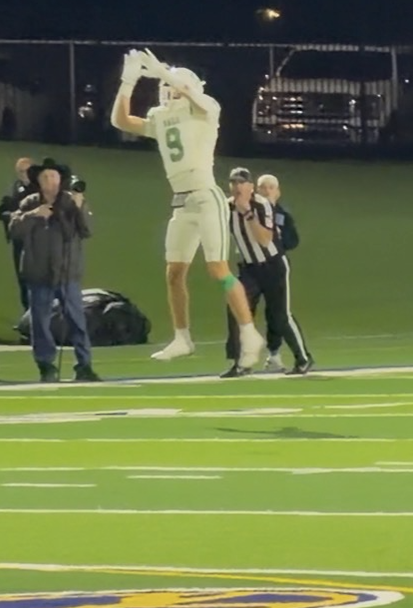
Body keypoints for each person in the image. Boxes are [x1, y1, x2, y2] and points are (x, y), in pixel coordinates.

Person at [110, 48, 265, 368]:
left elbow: (192, 95)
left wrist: (165, 73)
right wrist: (128, 81)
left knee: (218, 269)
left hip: (206, 197)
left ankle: (249, 332)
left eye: (170, 86)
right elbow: (120, 120)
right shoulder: (161, 117)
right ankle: (182, 337)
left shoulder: (206, 109)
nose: (164, 90)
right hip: (181, 202)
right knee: (174, 273)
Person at [9, 158, 99, 383]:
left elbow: (87, 231)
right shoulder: (29, 203)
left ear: (61, 179)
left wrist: (79, 207)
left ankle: (84, 365)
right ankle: (46, 365)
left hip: (68, 273)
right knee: (40, 322)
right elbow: (14, 230)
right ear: (38, 181)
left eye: (53, 176)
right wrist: (33, 215)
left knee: (77, 320)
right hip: (38, 273)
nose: (50, 181)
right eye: (45, 177)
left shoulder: (72, 202)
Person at [222, 168, 313, 377]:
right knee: (238, 310)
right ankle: (241, 362)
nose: (237, 187)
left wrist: (247, 212)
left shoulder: (262, 205)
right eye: (233, 183)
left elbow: (265, 239)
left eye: (241, 183)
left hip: (273, 265)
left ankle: (303, 358)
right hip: (249, 267)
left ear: (250, 187)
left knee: (280, 315)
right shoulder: (226, 207)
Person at [0, 157, 35, 311]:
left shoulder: (40, 190)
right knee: (22, 279)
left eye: (27, 170)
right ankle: (27, 315)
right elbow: (0, 211)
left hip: (36, 241)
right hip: (19, 240)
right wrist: (10, 215)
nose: (24, 174)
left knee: (35, 279)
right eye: (20, 171)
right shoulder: (14, 189)